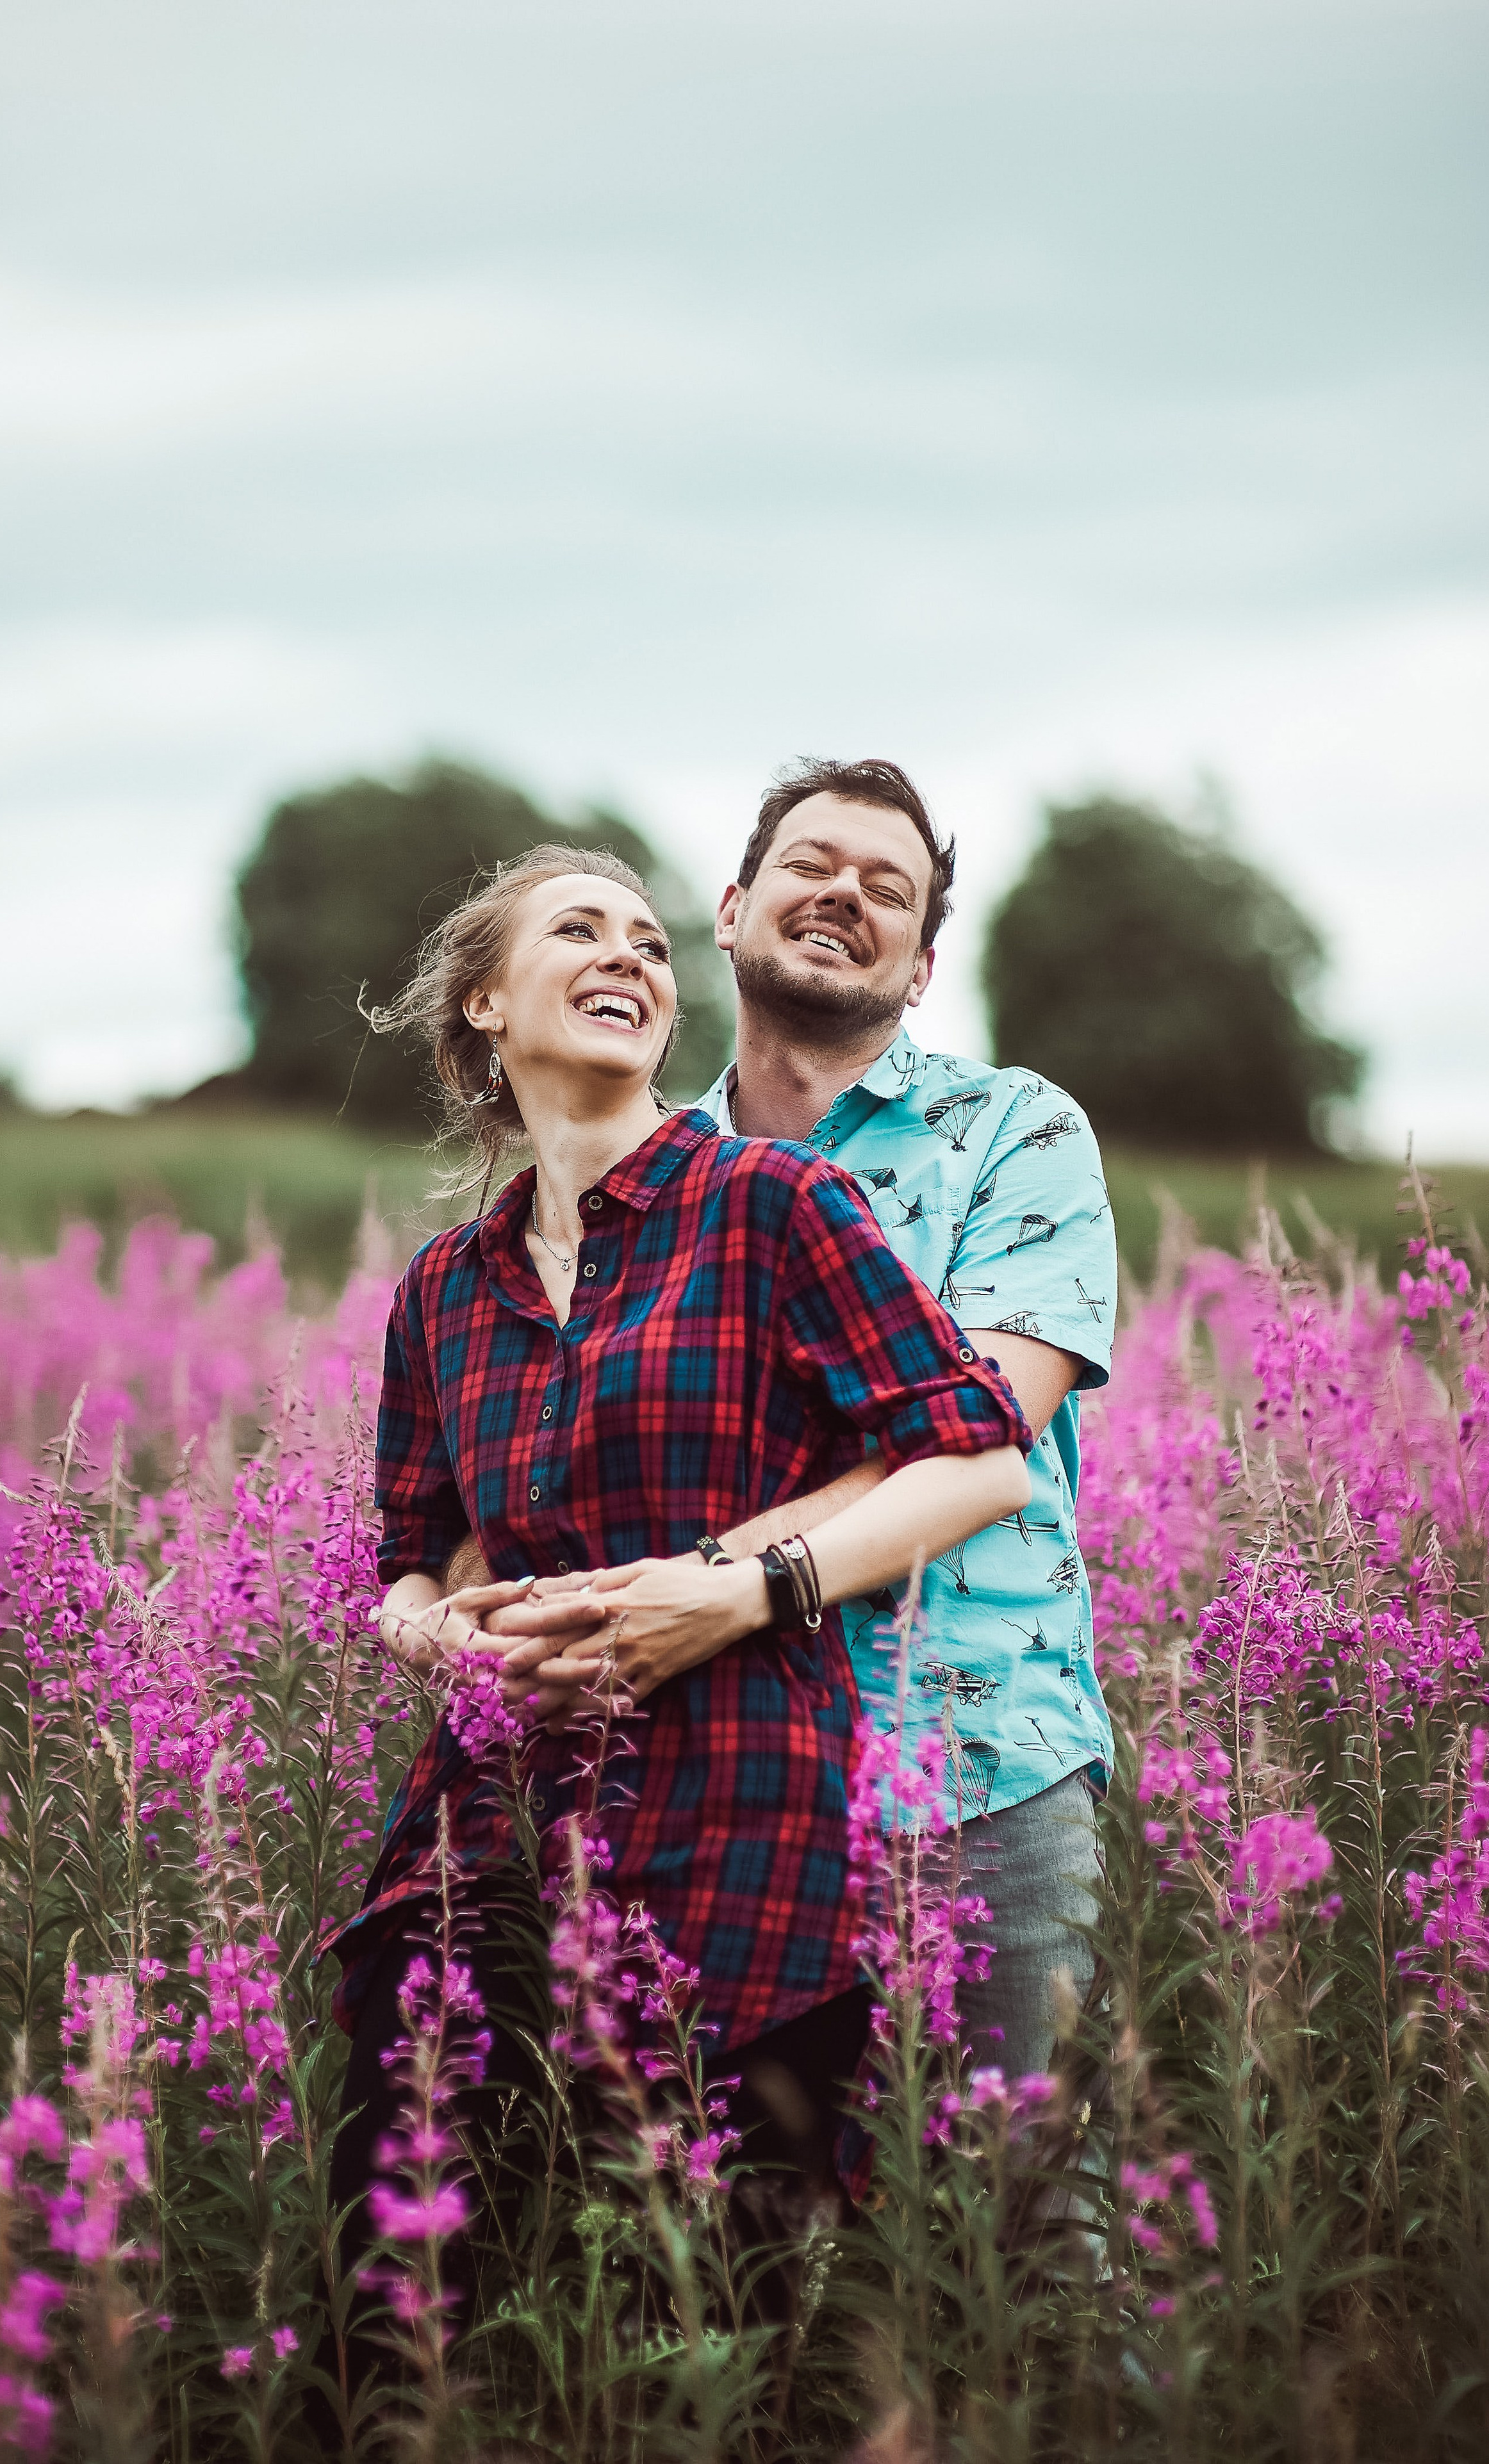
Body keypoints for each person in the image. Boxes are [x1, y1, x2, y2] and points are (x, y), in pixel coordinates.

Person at [325, 842, 1032, 2324]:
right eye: (577, 932)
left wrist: (741, 1590)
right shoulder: (446, 1286)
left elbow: (975, 1459)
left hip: (739, 1827)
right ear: (482, 1008)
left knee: (722, 2299)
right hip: (495, 1828)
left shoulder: (774, 1207)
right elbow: (409, 1562)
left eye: (649, 943)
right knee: (405, 2284)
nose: (630, 959)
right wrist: (439, 1640)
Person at [489, 765, 1117, 2085]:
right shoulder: (646, 1172)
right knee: (741, 2236)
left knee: (1031, 2232)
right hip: (714, 1776)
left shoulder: (1013, 1128)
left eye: (885, 887)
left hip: (979, 1764)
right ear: (726, 909)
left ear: (923, 960)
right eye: (809, 864)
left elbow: (978, 1427)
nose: (842, 894)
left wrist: (729, 1585)